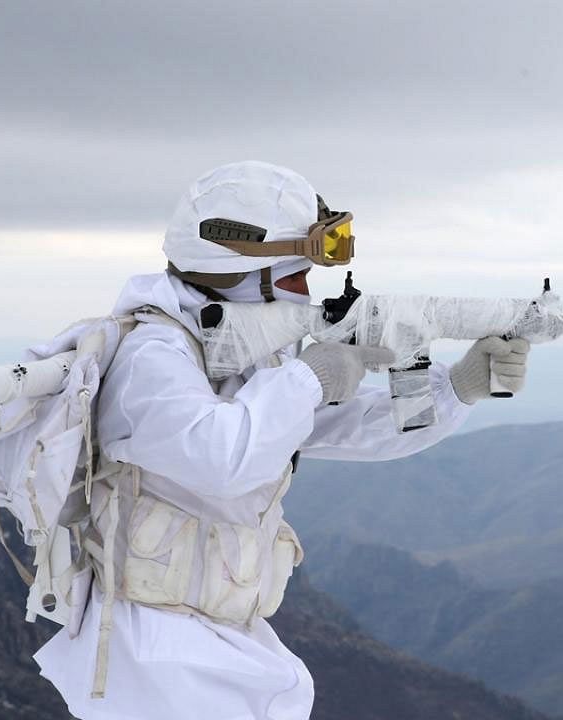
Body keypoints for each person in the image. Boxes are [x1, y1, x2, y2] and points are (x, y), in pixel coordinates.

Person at [33, 161, 529, 720]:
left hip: (210, 644)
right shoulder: (153, 354)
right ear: (245, 271)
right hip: (152, 654)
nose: (305, 295)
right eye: (296, 277)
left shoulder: (229, 351)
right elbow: (221, 458)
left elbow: (343, 429)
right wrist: (308, 377)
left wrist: (457, 387)